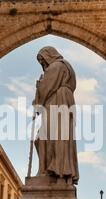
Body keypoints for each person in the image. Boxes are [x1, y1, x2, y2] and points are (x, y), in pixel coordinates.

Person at [33, 46, 79, 185]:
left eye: (43, 61)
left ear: (49, 56)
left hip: (57, 102)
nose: (43, 65)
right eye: (41, 63)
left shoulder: (56, 67)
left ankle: (55, 171)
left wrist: (38, 87)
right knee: (49, 138)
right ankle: (49, 170)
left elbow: (45, 88)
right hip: (61, 102)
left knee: (53, 138)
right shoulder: (65, 67)